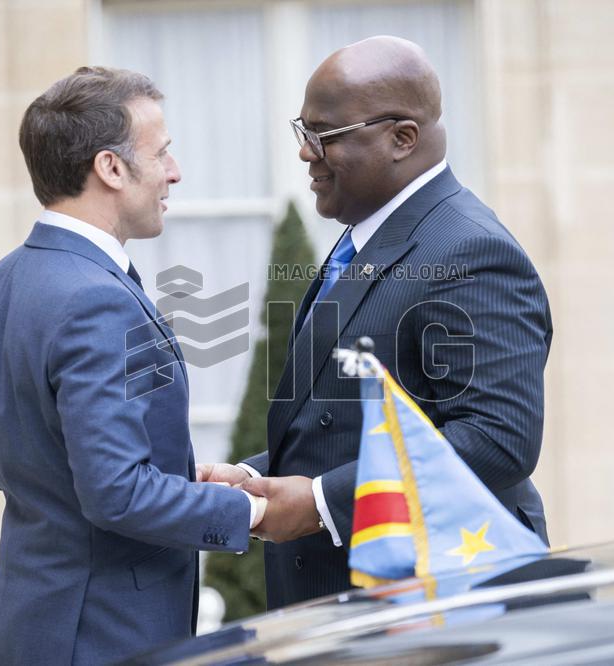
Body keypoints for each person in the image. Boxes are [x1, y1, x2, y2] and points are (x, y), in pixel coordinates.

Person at [198, 36, 552, 609]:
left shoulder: (470, 252)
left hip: (431, 608)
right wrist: (256, 477)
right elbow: (340, 426)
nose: (306, 152)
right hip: (345, 601)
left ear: (402, 138)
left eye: (324, 136)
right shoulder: (366, 238)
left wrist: (318, 503)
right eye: (303, 131)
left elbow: (497, 438)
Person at [0, 67, 265, 664]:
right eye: (162, 153)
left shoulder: (3, 281)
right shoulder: (94, 298)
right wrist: (254, 510)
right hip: (103, 635)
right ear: (110, 168)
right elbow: (116, 495)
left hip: (31, 624)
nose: (174, 173)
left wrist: (180, 473)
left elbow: (21, 465)